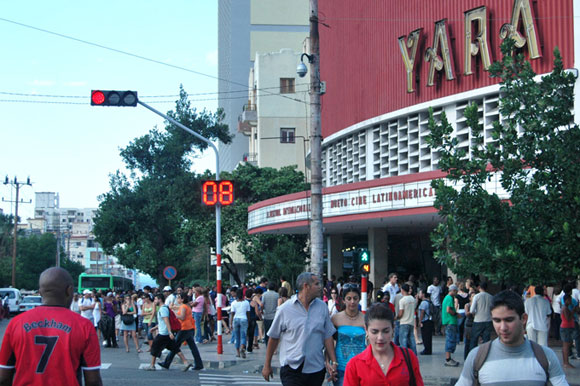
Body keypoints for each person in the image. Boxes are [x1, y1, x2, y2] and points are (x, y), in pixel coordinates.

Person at [0, 267, 102, 386]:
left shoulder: (16, 323)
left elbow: (3, 377)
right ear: (69, 290)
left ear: (40, 292)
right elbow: (93, 380)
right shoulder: (84, 325)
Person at [455, 290, 569, 385]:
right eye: (497, 320)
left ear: (523, 319)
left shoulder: (546, 357)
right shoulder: (476, 357)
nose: (503, 327)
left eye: (509, 320)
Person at [263, 272, 338, 386]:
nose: (320, 287)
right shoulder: (285, 309)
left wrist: (334, 362)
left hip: (315, 369)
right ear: (306, 286)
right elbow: (273, 337)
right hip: (291, 369)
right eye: (316, 284)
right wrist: (267, 365)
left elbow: (327, 336)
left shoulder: (322, 307)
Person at [343, 302, 424, 385]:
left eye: (385, 331)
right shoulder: (354, 365)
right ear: (366, 330)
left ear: (393, 329)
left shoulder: (409, 357)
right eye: (375, 332)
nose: (380, 337)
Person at [330, 284, 366, 386]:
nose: (352, 302)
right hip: (341, 367)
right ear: (343, 300)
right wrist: (330, 362)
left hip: (362, 367)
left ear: (359, 299)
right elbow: (329, 342)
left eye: (355, 298)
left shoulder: (366, 319)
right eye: (349, 298)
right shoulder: (335, 318)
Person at [158, 293, 203, 371]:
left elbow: (182, 317)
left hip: (183, 329)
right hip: (189, 328)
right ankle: (199, 364)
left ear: (182, 299)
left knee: (174, 346)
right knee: (193, 347)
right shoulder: (187, 306)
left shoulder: (183, 307)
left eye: (178, 298)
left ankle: (166, 363)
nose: (177, 300)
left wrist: (174, 315)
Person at [145, 293, 190, 371]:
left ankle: (152, 365)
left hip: (163, 333)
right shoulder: (164, 308)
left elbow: (166, 321)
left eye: (155, 299)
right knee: (175, 348)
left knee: (154, 348)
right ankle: (186, 362)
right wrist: (155, 328)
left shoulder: (163, 309)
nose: (154, 301)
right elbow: (162, 322)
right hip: (166, 333)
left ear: (160, 299)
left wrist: (169, 332)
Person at [468, 281, 494, 353]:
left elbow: (472, 310)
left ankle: (472, 355)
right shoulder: (491, 297)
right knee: (486, 340)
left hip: (478, 320)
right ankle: (485, 355)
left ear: (479, 287)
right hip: (488, 320)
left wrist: (474, 313)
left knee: (474, 339)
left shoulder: (477, 296)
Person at [442, 284, 460, 366]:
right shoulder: (449, 298)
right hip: (451, 321)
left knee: (450, 339)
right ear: (452, 290)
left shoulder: (446, 298)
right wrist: (455, 314)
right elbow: (448, 310)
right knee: (450, 339)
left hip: (448, 321)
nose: (456, 293)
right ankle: (448, 359)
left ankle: (448, 358)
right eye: (455, 291)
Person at [397, 283, 417, 354]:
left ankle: (404, 355)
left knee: (403, 340)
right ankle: (414, 354)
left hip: (404, 322)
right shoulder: (412, 299)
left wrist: (396, 317)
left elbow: (401, 313)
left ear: (402, 290)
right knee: (412, 339)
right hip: (411, 322)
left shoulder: (402, 300)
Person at [231, 288, 250, 358]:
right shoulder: (246, 303)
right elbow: (248, 313)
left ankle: (238, 353)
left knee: (237, 336)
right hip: (244, 319)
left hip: (236, 319)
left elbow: (232, 314)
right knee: (243, 336)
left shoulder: (233, 303)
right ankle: (242, 347)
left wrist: (230, 323)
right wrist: (249, 321)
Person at [561, 293, 577, 369]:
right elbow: (568, 318)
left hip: (568, 327)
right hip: (566, 328)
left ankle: (566, 362)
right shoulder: (565, 308)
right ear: (566, 300)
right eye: (569, 299)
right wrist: (573, 311)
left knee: (567, 344)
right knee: (566, 345)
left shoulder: (566, 308)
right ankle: (566, 362)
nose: (571, 301)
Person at [262, 282, 279, 348]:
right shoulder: (277, 295)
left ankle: (267, 346)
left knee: (267, 332)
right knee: (274, 333)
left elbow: (262, 304)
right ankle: (274, 347)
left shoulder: (264, 295)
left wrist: (262, 311)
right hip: (274, 316)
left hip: (267, 315)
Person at [418, 288, 434, 355]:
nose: (419, 294)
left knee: (425, 336)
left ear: (423, 294)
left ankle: (426, 350)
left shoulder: (423, 303)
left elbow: (422, 312)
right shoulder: (429, 302)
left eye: (420, 293)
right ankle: (429, 349)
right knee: (429, 336)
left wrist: (420, 321)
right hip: (430, 320)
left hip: (425, 320)